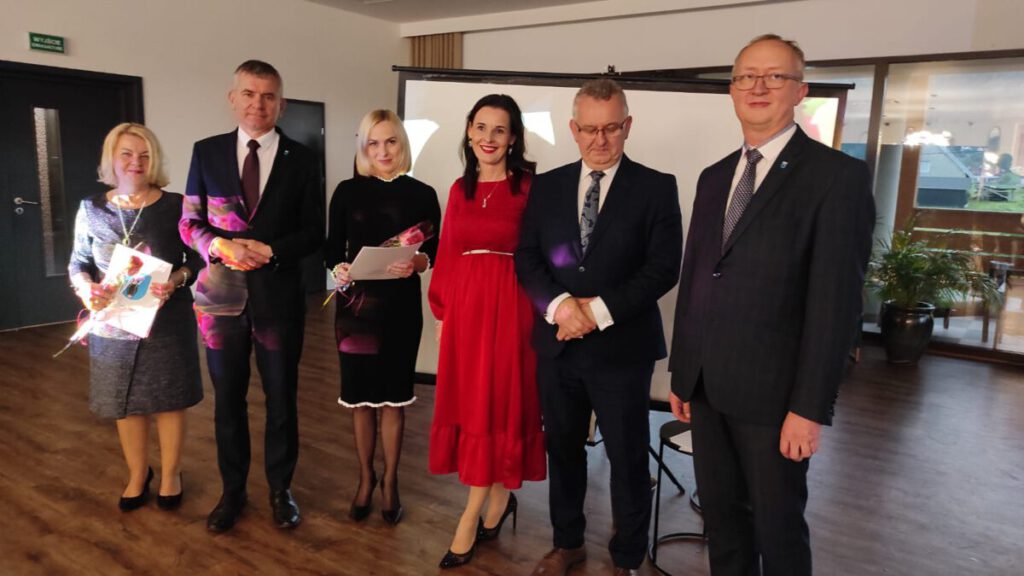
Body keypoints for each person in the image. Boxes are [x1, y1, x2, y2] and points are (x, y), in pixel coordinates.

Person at [668, 34, 875, 576]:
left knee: (778, 530)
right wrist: (683, 372)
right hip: (707, 387)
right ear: (732, 90)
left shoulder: (837, 178)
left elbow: (835, 306)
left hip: (777, 398)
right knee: (723, 525)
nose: (757, 86)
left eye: (774, 76)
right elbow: (697, 278)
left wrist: (809, 409)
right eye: (746, 76)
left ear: (800, 91)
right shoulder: (715, 177)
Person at [515, 79, 683, 576]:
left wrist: (594, 314)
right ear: (573, 129)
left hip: (622, 352)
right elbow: (527, 258)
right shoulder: (547, 186)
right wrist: (561, 307)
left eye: (610, 127)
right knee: (563, 450)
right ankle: (567, 543)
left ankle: (627, 556)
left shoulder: (657, 187)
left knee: (628, 459)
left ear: (627, 126)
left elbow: (662, 268)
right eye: (589, 129)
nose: (600, 139)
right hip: (558, 348)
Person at [179, 60, 323, 532]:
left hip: (278, 300)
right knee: (227, 400)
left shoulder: (303, 159)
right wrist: (218, 246)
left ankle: (281, 490)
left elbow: (314, 232)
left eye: (268, 96)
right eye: (248, 93)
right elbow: (189, 221)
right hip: (220, 302)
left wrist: (273, 251)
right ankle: (232, 492)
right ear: (232, 98)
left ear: (281, 103)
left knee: (282, 398)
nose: (257, 104)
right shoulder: (206, 152)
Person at [428, 94, 547, 569]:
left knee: (499, 403)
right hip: (466, 312)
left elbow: (543, 253)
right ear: (469, 131)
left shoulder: (530, 188)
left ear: (513, 137)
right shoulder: (460, 189)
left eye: (499, 130)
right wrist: (442, 313)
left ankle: (470, 515)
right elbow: (448, 252)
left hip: (513, 309)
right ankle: (497, 497)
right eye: (481, 127)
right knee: (476, 404)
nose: (489, 138)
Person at [68, 122, 203, 511]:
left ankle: (172, 473)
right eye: (126, 154)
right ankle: (137, 474)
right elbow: (78, 262)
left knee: (169, 400)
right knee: (124, 401)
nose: (136, 162)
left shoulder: (175, 205)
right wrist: (85, 287)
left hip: (167, 319)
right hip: (113, 323)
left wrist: (177, 279)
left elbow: (196, 257)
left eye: (144, 155)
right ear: (111, 158)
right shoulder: (91, 209)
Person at [325, 109, 440, 525]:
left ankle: (390, 481)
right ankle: (365, 478)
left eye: (390, 141)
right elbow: (332, 248)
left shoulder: (423, 193)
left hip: (400, 309)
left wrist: (417, 263)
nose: (383, 150)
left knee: (393, 400)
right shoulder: (346, 191)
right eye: (373, 143)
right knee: (360, 401)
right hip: (355, 309)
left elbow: (434, 250)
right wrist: (338, 269)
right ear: (363, 147)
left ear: (402, 143)